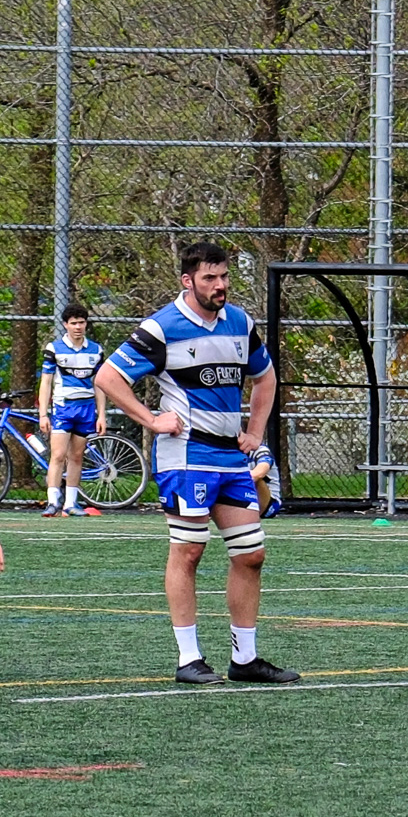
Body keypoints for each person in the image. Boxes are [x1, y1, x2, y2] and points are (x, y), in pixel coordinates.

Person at [93, 241, 297, 685]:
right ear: (188, 281)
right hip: (186, 456)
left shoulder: (241, 323)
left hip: (229, 454)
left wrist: (256, 433)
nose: (220, 285)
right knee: (189, 550)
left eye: (224, 276)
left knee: (251, 553)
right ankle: (189, 658)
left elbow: (265, 377)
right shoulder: (163, 326)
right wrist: (149, 419)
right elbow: (108, 376)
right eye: (210, 278)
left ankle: (245, 659)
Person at [37, 303, 107, 517]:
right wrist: (43, 413)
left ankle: (71, 503)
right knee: (58, 455)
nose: (78, 327)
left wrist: (101, 414)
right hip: (62, 407)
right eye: (74, 323)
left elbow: (100, 383)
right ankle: (52, 502)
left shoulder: (96, 350)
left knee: (76, 456)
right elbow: (46, 382)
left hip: (86, 409)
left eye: (82, 322)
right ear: (65, 325)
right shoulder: (54, 348)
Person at [250, 443, 283, 520]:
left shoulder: (261, 450)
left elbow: (259, 473)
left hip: (270, 504)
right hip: (241, 496)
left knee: (257, 479)